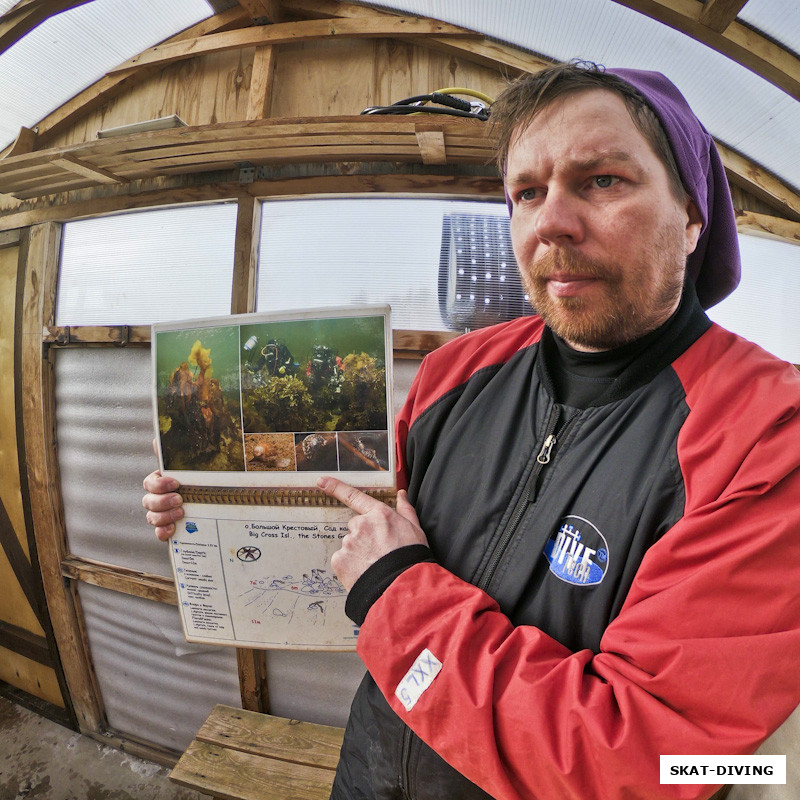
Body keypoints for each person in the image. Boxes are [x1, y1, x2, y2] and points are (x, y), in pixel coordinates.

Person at [143, 62, 800, 800]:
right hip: (373, 761)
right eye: (526, 192)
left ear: (692, 217)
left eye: (602, 180)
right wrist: (212, 506)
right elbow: (361, 525)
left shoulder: (767, 435)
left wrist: (398, 593)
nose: (550, 221)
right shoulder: (454, 372)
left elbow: (654, 763)